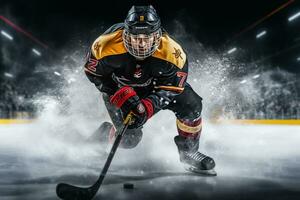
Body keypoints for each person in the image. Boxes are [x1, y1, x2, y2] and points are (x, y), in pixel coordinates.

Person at [84, 5, 216, 175]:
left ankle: (189, 152)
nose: (141, 43)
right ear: (126, 33)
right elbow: (94, 73)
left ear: (157, 35)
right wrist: (121, 94)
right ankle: (105, 134)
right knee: (129, 140)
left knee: (191, 104)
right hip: (120, 91)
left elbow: (172, 88)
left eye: (147, 37)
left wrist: (147, 107)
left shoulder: (173, 52)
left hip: (154, 89)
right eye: (135, 37)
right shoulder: (104, 45)